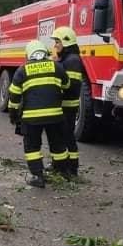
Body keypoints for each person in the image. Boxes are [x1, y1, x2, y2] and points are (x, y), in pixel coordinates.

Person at [8, 40, 69, 188]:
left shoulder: (23, 70)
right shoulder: (56, 66)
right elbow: (66, 85)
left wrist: (13, 115)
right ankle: (61, 173)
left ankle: (38, 176)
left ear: (29, 54)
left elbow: (14, 96)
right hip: (55, 116)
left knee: (32, 147)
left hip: (31, 118)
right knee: (58, 145)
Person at [50, 27, 83, 177]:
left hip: (68, 107)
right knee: (59, 138)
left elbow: (71, 85)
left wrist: (57, 66)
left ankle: (71, 169)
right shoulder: (66, 59)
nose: (55, 45)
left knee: (67, 138)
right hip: (62, 106)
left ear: (66, 42)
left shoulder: (73, 60)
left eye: (57, 42)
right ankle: (59, 166)